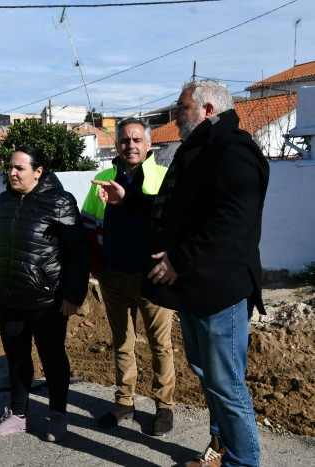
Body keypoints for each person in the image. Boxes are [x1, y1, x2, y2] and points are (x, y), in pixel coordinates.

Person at [102, 79, 269, 467]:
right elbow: (174, 212)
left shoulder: (234, 150)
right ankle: (221, 447)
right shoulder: (196, 151)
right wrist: (130, 201)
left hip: (221, 292)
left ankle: (242, 462)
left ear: (208, 110)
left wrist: (180, 258)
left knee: (226, 384)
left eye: (182, 107)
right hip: (196, 291)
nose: (176, 115)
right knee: (207, 374)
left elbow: (232, 220)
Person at [0, 146, 90, 443]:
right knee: (16, 358)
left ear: (38, 171)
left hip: (47, 300)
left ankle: (57, 415)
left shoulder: (60, 201)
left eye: (19, 168)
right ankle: (18, 416)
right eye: (11, 167)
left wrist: (72, 295)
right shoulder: (5, 200)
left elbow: (78, 252)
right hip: (8, 297)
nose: (12, 173)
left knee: (52, 358)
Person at [80, 118, 175, 436]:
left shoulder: (163, 179)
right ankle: (124, 401)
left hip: (154, 278)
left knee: (160, 345)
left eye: (137, 140)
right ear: (116, 145)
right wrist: (96, 266)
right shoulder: (102, 180)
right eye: (124, 141)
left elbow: (177, 228)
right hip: (114, 277)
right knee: (122, 342)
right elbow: (88, 225)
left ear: (148, 145)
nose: (130, 145)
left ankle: (164, 406)